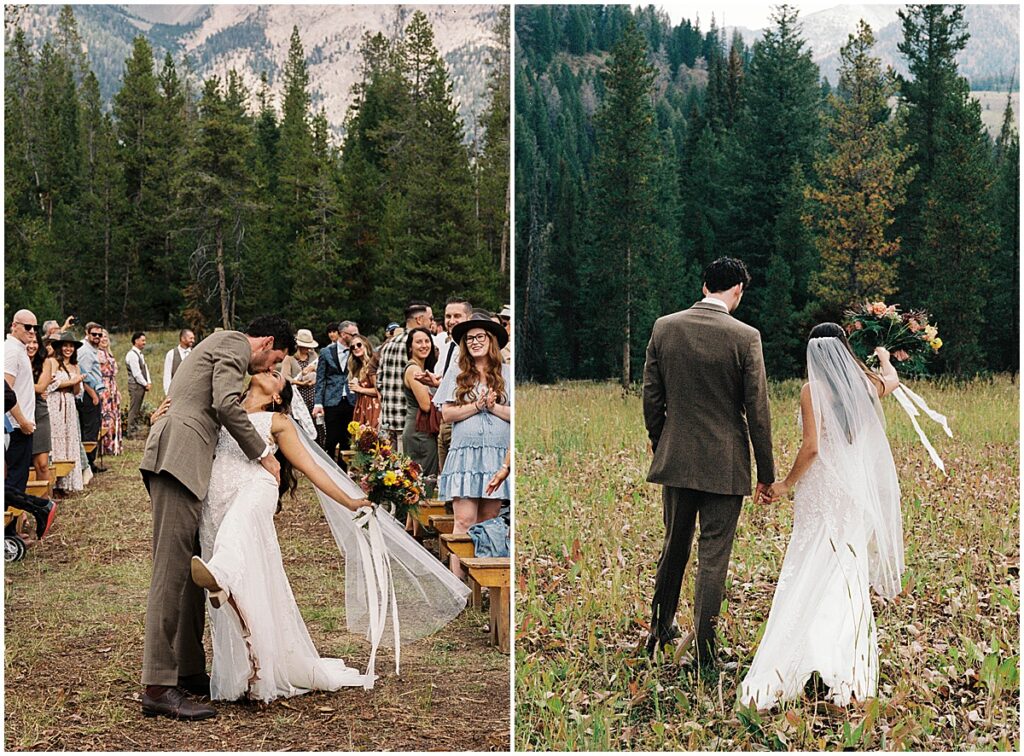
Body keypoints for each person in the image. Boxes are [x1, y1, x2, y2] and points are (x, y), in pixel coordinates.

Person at [150, 371, 470, 702]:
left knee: (235, 537)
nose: (269, 372)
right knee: (245, 585)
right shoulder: (223, 408)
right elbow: (187, 431)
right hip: (215, 500)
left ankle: (222, 570)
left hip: (255, 487)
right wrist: (158, 421)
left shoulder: (278, 420)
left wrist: (349, 500)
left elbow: (312, 467)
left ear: (278, 395)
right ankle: (248, 670)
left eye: (276, 375)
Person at [138, 315, 295, 721]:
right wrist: (263, 454)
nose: (269, 369)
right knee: (170, 574)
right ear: (268, 343)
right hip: (178, 461)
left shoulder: (224, 350)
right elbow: (224, 403)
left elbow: (198, 397)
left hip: (187, 463)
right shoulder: (232, 344)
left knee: (189, 575)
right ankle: (157, 685)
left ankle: (188, 670)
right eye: (275, 359)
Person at [738, 326, 901, 710]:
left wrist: (785, 484)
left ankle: (797, 657)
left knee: (809, 563)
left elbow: (811, 448)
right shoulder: (864, 387)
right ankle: (843, 665)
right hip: (852, 494)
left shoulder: (812, 391)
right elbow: (892, 380)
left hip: (822, 490)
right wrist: (884, 358)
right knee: (845, 567)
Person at [641, 257, 775, 672]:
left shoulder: (665, 327)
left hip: (677, 456)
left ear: (703, 286)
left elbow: (651, 395)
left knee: (673, 548)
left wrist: (660, 441)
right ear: (737, 290)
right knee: (713, 557)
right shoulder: (745, 336)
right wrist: (767, 474)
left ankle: (659, 629)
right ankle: (703, 651)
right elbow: (758, 410)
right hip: (726, 462)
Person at [436, 314, 511, 578]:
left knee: (489, 522)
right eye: (470, 339)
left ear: (491, 341)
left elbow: (515, 415)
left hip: (496, 456)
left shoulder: (506, 373)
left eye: (481, 337)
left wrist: (493, 407)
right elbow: (447, 414)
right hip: (465, 455)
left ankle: (484, 582)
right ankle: (458, 582)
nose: (475, 342)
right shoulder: (457, 373)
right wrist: (476, 406)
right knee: (464, 521)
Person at [425, 298, 472, 474]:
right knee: (445, 479)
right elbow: (441, 386)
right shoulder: (447, 347)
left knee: (461, 477)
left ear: (469, 317)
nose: (451, 321)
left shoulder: (473, 348)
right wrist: (432, 382)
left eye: (457, 316)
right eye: (448, 316)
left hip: (464, 419)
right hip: (444, 420)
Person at [378, 303, 433, 446]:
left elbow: (379, 381)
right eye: (430, 319)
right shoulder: (418, 346)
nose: (431, 323)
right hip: (409, 422)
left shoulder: (388, 344)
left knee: (391, 467)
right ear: (420, 320)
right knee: (409, 467)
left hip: (388, 419)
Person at [313, 320, 359, 466]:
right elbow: (321, 379)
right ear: (344, 334)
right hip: (332, 400)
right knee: (331, 439)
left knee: (348, 440)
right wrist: (318, 402)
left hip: (352, 400)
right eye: (353, 334)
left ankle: (344, 472)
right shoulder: (326, 352)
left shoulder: (357, 350)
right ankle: (328, 469)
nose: (356, 337)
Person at [45, 332, 86, 493]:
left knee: (69, 439)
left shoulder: (75, 366)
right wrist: (71, 381)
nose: (68, 349)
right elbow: (50, 385)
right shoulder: (53, 362)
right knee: (56, 438)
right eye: (65, 345)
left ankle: (66, 482)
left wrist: (77, 382)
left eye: (71, 346)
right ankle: (54, 482)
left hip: (69, 403)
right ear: (60, 347)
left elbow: (77, 392)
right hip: (55, 402)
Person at [5, 310, 39, 491]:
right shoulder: (11, 351)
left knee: (19, 478)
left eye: (35, 327)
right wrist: (22, 421)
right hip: (15, 427)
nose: (32, 331)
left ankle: (17, 517)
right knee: (14, 482)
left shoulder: (19, 349)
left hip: (21, 426)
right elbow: (5, 392)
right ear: (14, 326)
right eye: (28, 326)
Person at [402, 327, 440, 479]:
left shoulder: (422, 367)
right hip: (420, 432)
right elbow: (425, 405)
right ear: (410, 347)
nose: (424, 345)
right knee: (423, 482)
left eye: (427, 341)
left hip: (421, 431)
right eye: (419, 342)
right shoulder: (413, 369)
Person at [78, 322, 108, 473]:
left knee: (93, 427)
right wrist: (93, 394)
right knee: (90, 428)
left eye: (99, 334)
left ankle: (90, 462)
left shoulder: (92, 349)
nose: (97, 337)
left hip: (95, 391)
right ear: (87, 333)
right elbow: (83, 375)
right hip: (89, 394)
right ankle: (88, 464)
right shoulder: (84, 350)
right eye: (94, 334)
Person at [282, 329, 321, 445]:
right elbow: (285, 376)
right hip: (297, 395)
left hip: (312, 393)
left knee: (315, 423)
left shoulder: (313, 355)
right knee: (299, 424)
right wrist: (300, 383)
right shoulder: (290, 358)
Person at [26, 339, 55, 486]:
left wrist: (19, 383)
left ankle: (44, 504)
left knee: (42, 464)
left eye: (35, 342)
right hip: (17, 409)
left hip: (40, 411)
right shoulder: (12, 358)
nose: (31, 346)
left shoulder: (45, 362)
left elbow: (41, 387)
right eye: (28, 342)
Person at [348, 335, 381, 431]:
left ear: (366, 345)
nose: (356, 348)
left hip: (374, 406)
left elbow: (379, 390)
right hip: (361, 405)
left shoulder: (372, 364)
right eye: (352, 347)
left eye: (359, 345)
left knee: (373, 439)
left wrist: (360, 389)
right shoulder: (357, 367)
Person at [98, 331, 122, 456]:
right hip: (103, 386)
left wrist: (117, 390)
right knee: (106, 416)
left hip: (112, 387)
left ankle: (114, 444)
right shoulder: (97, 354)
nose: (103, 339)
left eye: (106, 336)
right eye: (101, 336)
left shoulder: (109, 353)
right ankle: (104, 446)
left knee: (114, 415)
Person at [125, 332, 152, 438]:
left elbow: (145, 369)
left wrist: (148, 381)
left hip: (139, 386)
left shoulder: (140, 354)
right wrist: (145, 383)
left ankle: (134, 429)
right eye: (142, 340)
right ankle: (130, 432)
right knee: (134, 408)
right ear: (136, 341)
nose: (144, 343)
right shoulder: (132, 355)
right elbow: (136, 373)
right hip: (135, 386)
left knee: (137, 408)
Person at [163, 328, 195, 394]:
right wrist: (168, 392)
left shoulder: (195, 353)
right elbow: (167, 375)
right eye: (190, 338)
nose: (193, 340)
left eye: (193, 338)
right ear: (183, 338)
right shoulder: (171, 354)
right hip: (176, 391)